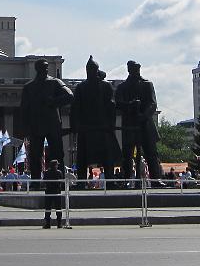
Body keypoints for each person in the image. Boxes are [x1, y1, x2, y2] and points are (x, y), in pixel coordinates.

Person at [20, 59, 73, 183]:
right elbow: (24, 109)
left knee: (58, 154)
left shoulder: (55, 82)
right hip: (36, 126)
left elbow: (70, 96)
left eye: (47, 67)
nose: (46, 69)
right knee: (35, 156)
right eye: (43, 67)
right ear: (37, 69)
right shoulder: (29, 87)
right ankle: (35, 183)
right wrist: (26, 128)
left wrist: (54, 102)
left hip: (52, 125)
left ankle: (59, 181)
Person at [70, 56, 120, 185]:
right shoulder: (81, 87)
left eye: (93, 69)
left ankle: (109, 180)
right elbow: (75, 108)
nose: (91, 72)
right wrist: (75, 126)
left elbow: (111, 106)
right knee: (82, 158)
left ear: (96, 70)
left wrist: (111, 125)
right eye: (89, 69)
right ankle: (81, 181)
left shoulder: (105, 86)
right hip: (87, 128)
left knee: (107, 157)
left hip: (102, 128)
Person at [115, 60, 165, 187]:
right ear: (129, 70)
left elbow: (153, 103)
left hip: (145, 124)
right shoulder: (122, 87)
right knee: (127, 154)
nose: (135, 71)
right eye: (133, 69)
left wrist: (143, 116)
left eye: (137, 69)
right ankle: (126, 180)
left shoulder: (147, 84)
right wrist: (130, 105)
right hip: (130, 125)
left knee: (151, 153)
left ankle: (155, 179)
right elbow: (118, 104)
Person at [42, 159, 65, 229]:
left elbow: (44, 181)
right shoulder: (59, 172)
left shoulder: (46, 172)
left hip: (48, 191)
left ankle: (47, 224)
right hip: (57, 191)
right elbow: (61, 181)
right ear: (55, 165)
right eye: (57, 164)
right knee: (58, 208)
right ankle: (59, 224)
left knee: (48, 208)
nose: (58, 166)